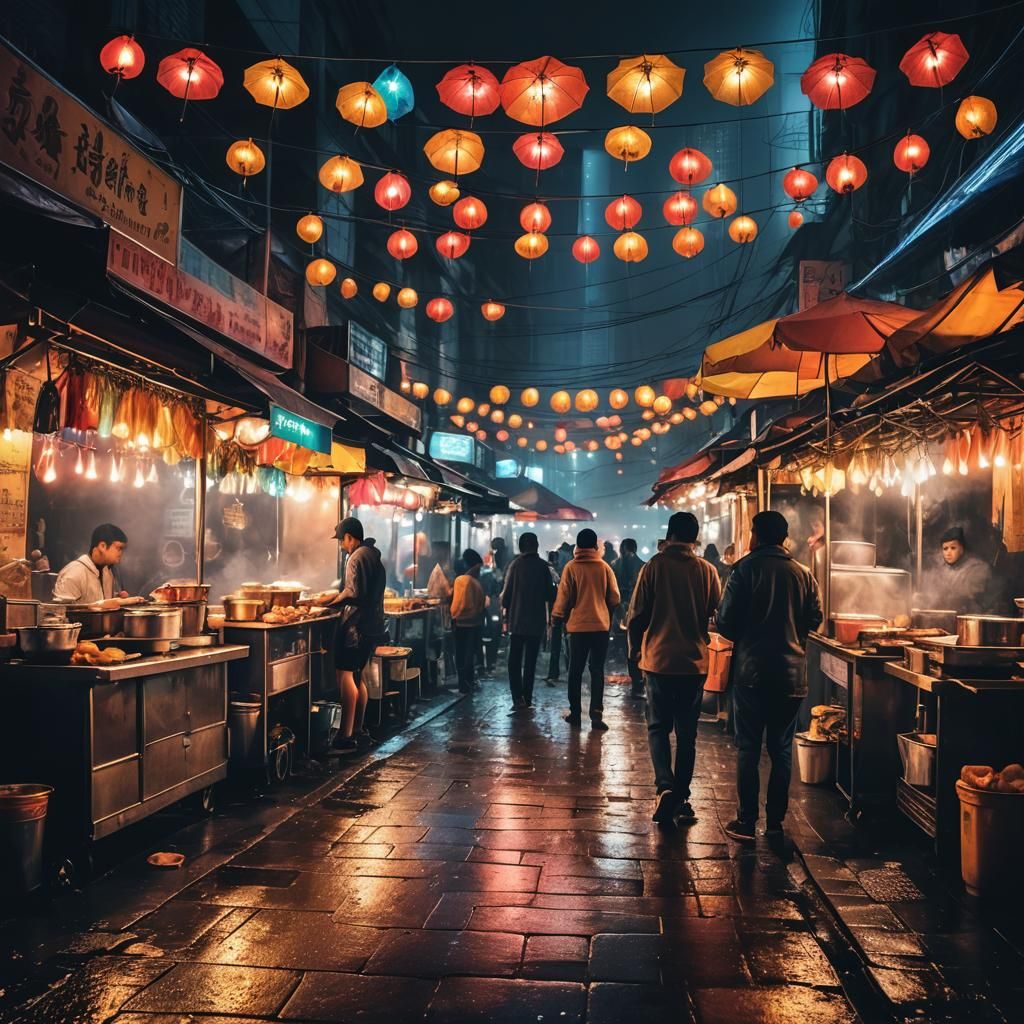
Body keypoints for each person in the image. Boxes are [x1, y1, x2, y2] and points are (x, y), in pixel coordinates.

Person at [716, 510, 823, 841]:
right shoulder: (803, 574)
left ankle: (747, 821)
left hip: (752, 674)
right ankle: (775, 824)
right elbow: (815, 618)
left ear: (756, 536)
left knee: (748, 748)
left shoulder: (744, 570)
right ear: (784, 538)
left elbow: (726, 623)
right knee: (781, 749)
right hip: (792, 676)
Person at [627, 512, 722, 826]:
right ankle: (682, 796)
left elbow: (637, 616)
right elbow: (715, 612)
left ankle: (664, 786)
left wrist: (633, 650)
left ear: (668, 535)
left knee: (657, 728)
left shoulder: (653, 567)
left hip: (658, 661)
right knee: (687, 735)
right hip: (694, 664)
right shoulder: (708, 571)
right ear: (695, 538)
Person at [551, 528, 621, 730]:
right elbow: (615, 598)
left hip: (578, 628)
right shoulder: (604, 568)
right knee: (597, 670)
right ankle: (596, 714)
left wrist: (557, 618)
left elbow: (563, 598)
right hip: (600, 627)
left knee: (575, 670)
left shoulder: (571, 568)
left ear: (577, 546)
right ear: (595, 547)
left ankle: (575, 713)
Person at [331, 517, 388, 754]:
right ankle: (358, 729)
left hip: (357, 627)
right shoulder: (372, 555)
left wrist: (330, 603)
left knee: (344, 675)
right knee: (359, 677)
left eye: (342, 541)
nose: (342, 546)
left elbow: (353, 592)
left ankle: (344, 735)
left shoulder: (356, 557)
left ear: (349, 537)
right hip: (372, 626)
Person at [501, 532, 556, 711]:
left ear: (521, 546)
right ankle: (528, 697)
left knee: (514, 662)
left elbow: (506, 596)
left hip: (517, 622)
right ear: (536, 545)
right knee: (531, 662)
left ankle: (517, 698)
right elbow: (550, 594)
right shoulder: (543, 566)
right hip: (536, 623)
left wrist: (505, 608)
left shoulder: (515, 565)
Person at [53, 523, 129, 602]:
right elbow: (61, 611)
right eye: (119, 548)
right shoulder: (73, 573)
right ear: (102, 546)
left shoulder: (107, 571)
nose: (121, 553)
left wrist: (116, 598)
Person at [612, 538, 646, 697]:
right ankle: (638, 681)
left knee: (631, 647)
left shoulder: (615, 565)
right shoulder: (643, 566)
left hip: (627, 611)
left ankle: (637, 680)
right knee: (634, 647)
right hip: (633, 611)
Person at [931, 526, 992, 613]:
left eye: (953, 548)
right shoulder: (941, 569)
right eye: (945, 549)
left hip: (970, 616)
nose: (948, 552)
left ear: (961, 549)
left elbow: (970, 597)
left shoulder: (977, 568)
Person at [451, 548, 486, 693]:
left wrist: (453, 616)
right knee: (469, 654)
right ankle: (468, 683)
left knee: (462, 654)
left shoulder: (462, 580)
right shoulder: (473, 581)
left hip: (462, 623)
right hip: (474, 623)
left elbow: (459, 604)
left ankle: (463, 685)